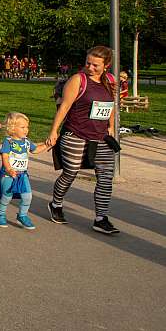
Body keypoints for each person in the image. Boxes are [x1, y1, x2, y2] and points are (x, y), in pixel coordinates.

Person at [46, 46, 120, 234]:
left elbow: (110, 106)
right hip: (75, 134)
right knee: (70, 172)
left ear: (106, 65)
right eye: (88, 63)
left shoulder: (111, 81)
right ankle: (56, 204)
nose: (90, 67)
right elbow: (64, 107)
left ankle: (101, 218)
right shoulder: (78, 80)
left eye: (95, 65)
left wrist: (111, 126)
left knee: (105, 177)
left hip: (101, 136)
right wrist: (54, 131)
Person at [0, 113, 50, 229]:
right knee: (7, 196)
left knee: (27, 196)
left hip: (22, 175)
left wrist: (47, 144)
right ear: (12, 128)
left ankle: (22, 215)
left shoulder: (26, 141)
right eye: (22, 127)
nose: (26, 130)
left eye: (27, 127)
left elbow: (35, 150)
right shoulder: (8, 142)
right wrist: (9, 169)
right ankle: (1, 214)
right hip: (9, 175)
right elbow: (4, 157)